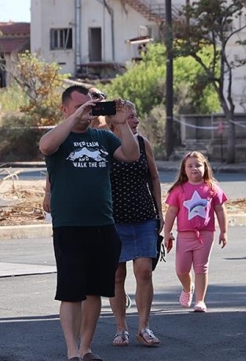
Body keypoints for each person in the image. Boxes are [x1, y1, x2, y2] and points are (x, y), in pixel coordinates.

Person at [39, 85, 140, 361]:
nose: (86, 112)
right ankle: (72, 350)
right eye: (79, 107)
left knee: (95, 290)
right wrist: (75, 119)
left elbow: (132, 155)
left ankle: (86, 349)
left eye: (90, 107)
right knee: (71, 292)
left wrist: (122, 125)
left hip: (103, 225)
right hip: (69, 226)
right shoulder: (60, 138)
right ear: (65, 109)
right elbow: (45, 146)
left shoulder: (103, 138)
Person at [107, 102, 163, 348]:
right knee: (117, 275)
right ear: (115, 120)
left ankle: (144, 326)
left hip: (143, 217)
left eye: (136, 115)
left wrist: (160, 211)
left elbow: (154, 176)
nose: (136, 120)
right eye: (130, 116)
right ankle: (121, 328)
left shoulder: (143, 143)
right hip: (113, 219)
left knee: (144, 271)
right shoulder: (105, 143)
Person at [163, 151, 228, 313]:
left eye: (198, 165)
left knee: (201, 268)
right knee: (181, 269)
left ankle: (200, 300)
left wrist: (223, 232)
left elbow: (220, 210)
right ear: (184, 170)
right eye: (190, 166)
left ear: (205, 167)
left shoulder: (212, 189)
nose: (194, 169)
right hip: (184, 235)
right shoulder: (179, 190)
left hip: (205, 234)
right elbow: (171, 212)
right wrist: (167, 232)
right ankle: (187, 288)